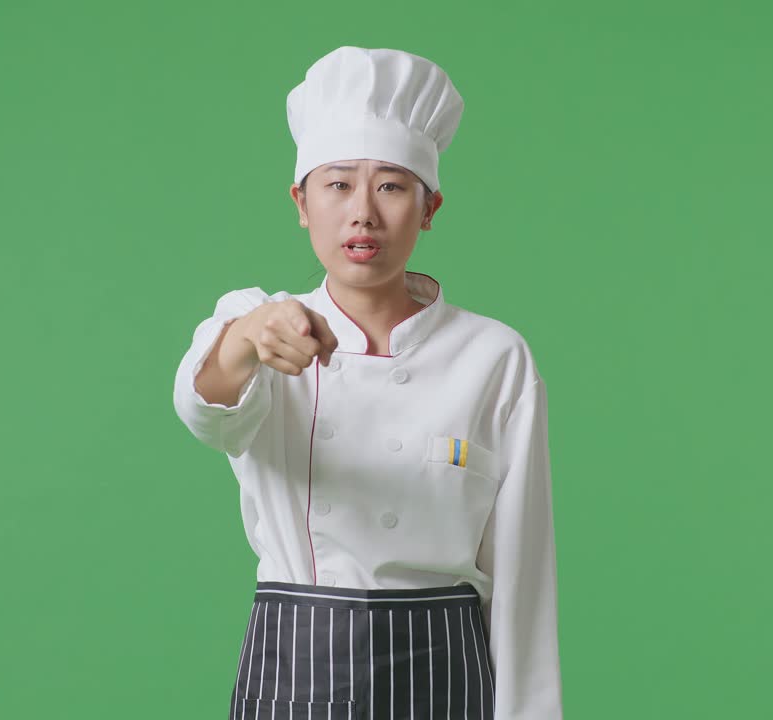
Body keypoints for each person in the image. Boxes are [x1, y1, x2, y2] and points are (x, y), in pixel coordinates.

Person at [173, 46, 564, 720]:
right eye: (337, 184)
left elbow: (522, 573)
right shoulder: (266, 328)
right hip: (297, 665)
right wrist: (249, 339)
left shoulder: (493, 356)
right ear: (300, 202)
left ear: (429, 206)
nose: (363, 213)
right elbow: (207, 410)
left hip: (443, 671)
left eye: (390, 185)